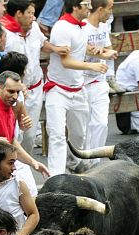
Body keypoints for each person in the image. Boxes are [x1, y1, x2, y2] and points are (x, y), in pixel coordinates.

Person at [45, 0, 110, 176]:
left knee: (79, 136)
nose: (90, 8)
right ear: (75, 7)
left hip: (77, 88)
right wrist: (92, 67)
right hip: (58, 89)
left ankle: (73, 164)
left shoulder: (81, 27)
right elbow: (65, 61)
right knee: (57, 135)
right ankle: (56, 176)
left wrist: (99, 51)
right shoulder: (62, 27)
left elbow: (81, 49)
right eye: (86, 4)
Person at [3, 0, 66, 157]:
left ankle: (25, 167)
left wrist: (56, 49)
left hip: (35, 88)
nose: (33, 17)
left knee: (30, 135)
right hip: (14, 92)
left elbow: (42, 44)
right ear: (18, 14)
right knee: (14, 134)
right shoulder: (6, 34)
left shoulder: (35, 27)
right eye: (30, 13)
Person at [83, 0, 116, 151]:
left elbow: (111, 52)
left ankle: (96, 158)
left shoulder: (103, 27)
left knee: (101, 123)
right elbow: (84, 50)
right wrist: (102, 52)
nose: (111, 12)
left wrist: (102, 51)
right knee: (85, 126)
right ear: (100, 9)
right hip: (82, 81)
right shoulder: (83, 27)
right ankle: (83, 160)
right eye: (110, 9)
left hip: (99, 80)